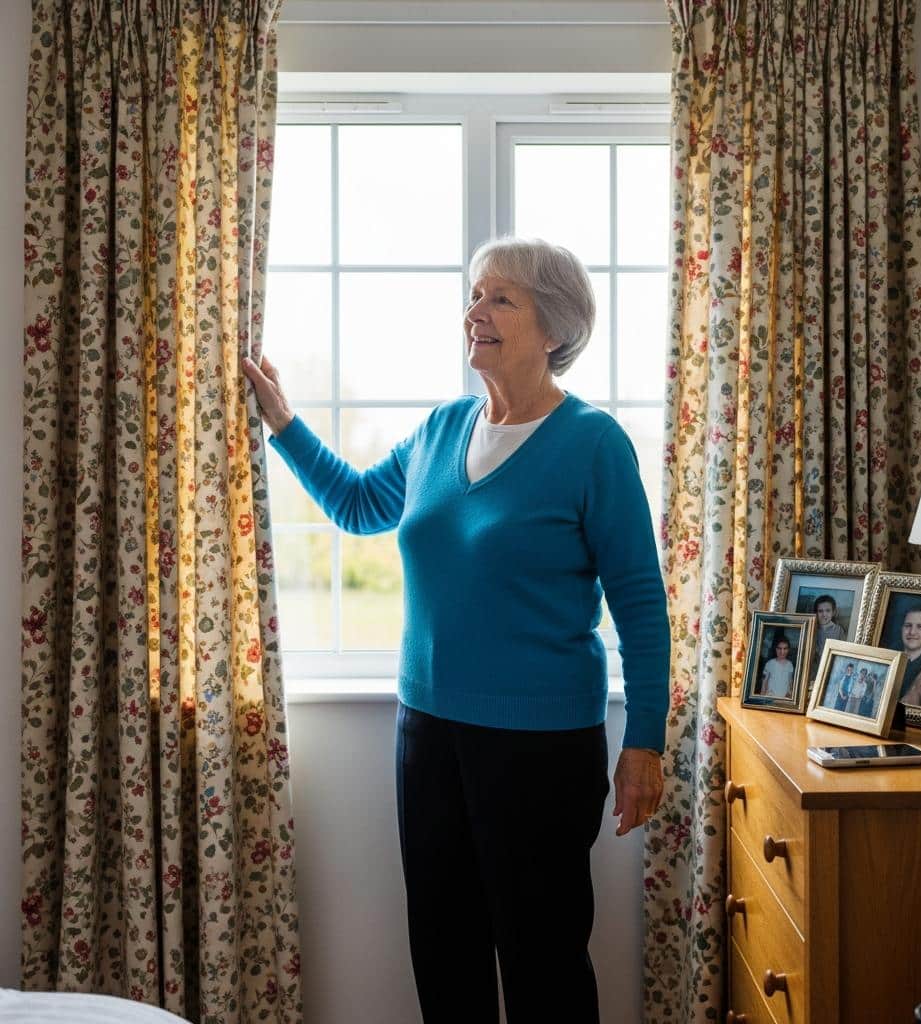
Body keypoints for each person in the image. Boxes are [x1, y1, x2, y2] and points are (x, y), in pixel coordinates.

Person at [243, 237, 670, 1024]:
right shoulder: (442, 429)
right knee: (444, 956)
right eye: (475, 295)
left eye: (501, 298)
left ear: (555, 328)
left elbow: (640, 602)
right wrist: (283, 421)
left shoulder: (593, 445)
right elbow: (360, 505)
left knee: (543, 966)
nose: (476, 312)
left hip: (541, 748)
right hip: (428, 734)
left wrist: (644, 742)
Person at [810, 594, 846, 675]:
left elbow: (842, 654)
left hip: (831, 668)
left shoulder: (839, 630)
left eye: (828, 610)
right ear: (816, 613)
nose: (824, 614)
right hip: (814, 669)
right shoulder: (811, 629)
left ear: (833, 612)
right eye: (820, 611)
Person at [759, 633, 795, 698]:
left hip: (783, 701)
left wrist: (790, 695)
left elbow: (790, 683)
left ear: (788, 650)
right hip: (770, 699)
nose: (782, 652)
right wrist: (762, 698)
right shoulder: (769, 664)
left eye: (785, 648)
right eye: (779, 648)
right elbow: (764, 684)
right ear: (776, 649)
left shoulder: (790, 665)